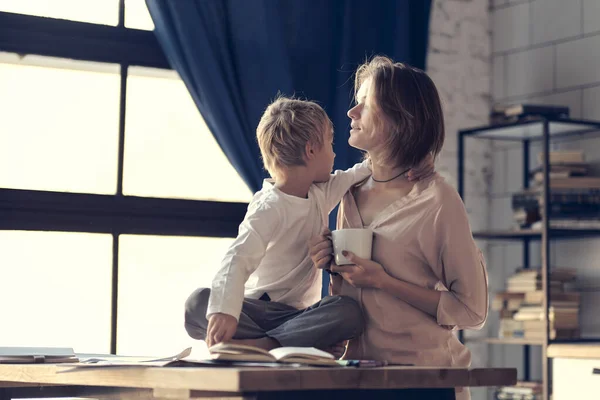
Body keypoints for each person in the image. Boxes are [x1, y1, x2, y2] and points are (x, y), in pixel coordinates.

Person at [184, 96, 433, 353]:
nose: (335, 153)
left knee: (348, 312)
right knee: (197, 303)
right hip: (255, 310)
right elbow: (237, 258)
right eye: (330, 144)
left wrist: (414, 159)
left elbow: (364, 169)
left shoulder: (320, 193)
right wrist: (225, 312)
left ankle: (264, 345)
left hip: (295, 317)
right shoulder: (268, 206)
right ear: (311, 150)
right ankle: (288, 342)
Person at [309, 56, 488, 399]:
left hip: (424, 383)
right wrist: (332, 268)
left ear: (399, 118)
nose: (352, 112)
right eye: (355, 102)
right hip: (358, 379)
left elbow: (472, 310)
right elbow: (355, 298)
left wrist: (384, 281)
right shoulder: (348, 193)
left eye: (366, 103)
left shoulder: (438, 201)